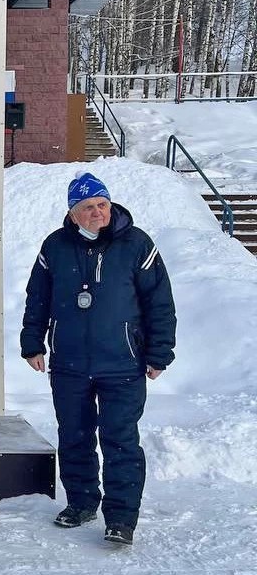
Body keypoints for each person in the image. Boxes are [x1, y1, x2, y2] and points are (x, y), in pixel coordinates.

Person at [20, 172, 176, 546]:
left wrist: (159, 352)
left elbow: (160, 302)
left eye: (102, 205)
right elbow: (37, 297)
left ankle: (121, 518)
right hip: (69, 363)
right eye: (87, 207)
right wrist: (32, 342)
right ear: (73, 212)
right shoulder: (54, 247)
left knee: (120, 439)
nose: (97, 212)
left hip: (123, 363)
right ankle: (82, 502)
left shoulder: (137, 245)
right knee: (74, 435)